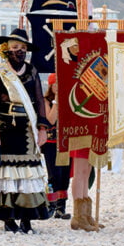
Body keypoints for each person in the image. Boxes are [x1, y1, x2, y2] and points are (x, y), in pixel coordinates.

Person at [0, 29, 50, 234]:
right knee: (7, 174)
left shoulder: (32, 70)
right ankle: (8, 218)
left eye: (22, 48)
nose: (19, 51)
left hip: (27, 127)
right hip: (6, 126)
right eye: (15, 47)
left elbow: (39, 100)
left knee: (28, 173)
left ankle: (27, 218)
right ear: (7, 49)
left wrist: (43, 128)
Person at [42, 73, 71, 220]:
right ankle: (51, 204)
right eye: (55, 85)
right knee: (54, 174)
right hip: (51, 143)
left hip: (66, 142)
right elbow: (51, 120)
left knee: (65, 175)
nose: (58, 87)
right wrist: (57, 101)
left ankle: (61, 207)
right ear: (51, 86)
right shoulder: (46, 101)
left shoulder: (70, 98)